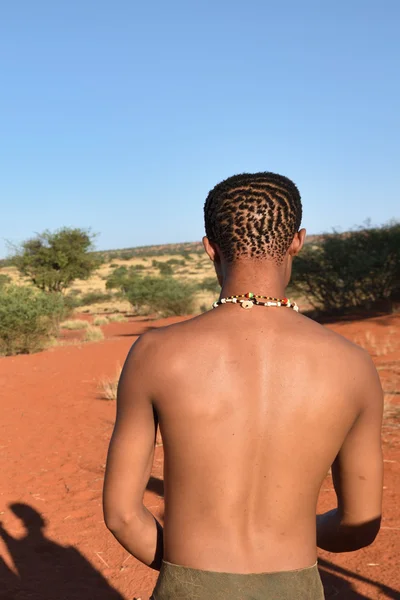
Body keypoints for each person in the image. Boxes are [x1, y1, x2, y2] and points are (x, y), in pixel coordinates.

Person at [103, 172, 383, 600]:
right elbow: (359, 523)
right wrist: (300, 530)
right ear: (297, 241)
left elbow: (122, 515)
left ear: (210, 248)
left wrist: (193, 573)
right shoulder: (353, 364)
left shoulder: (155, 353)